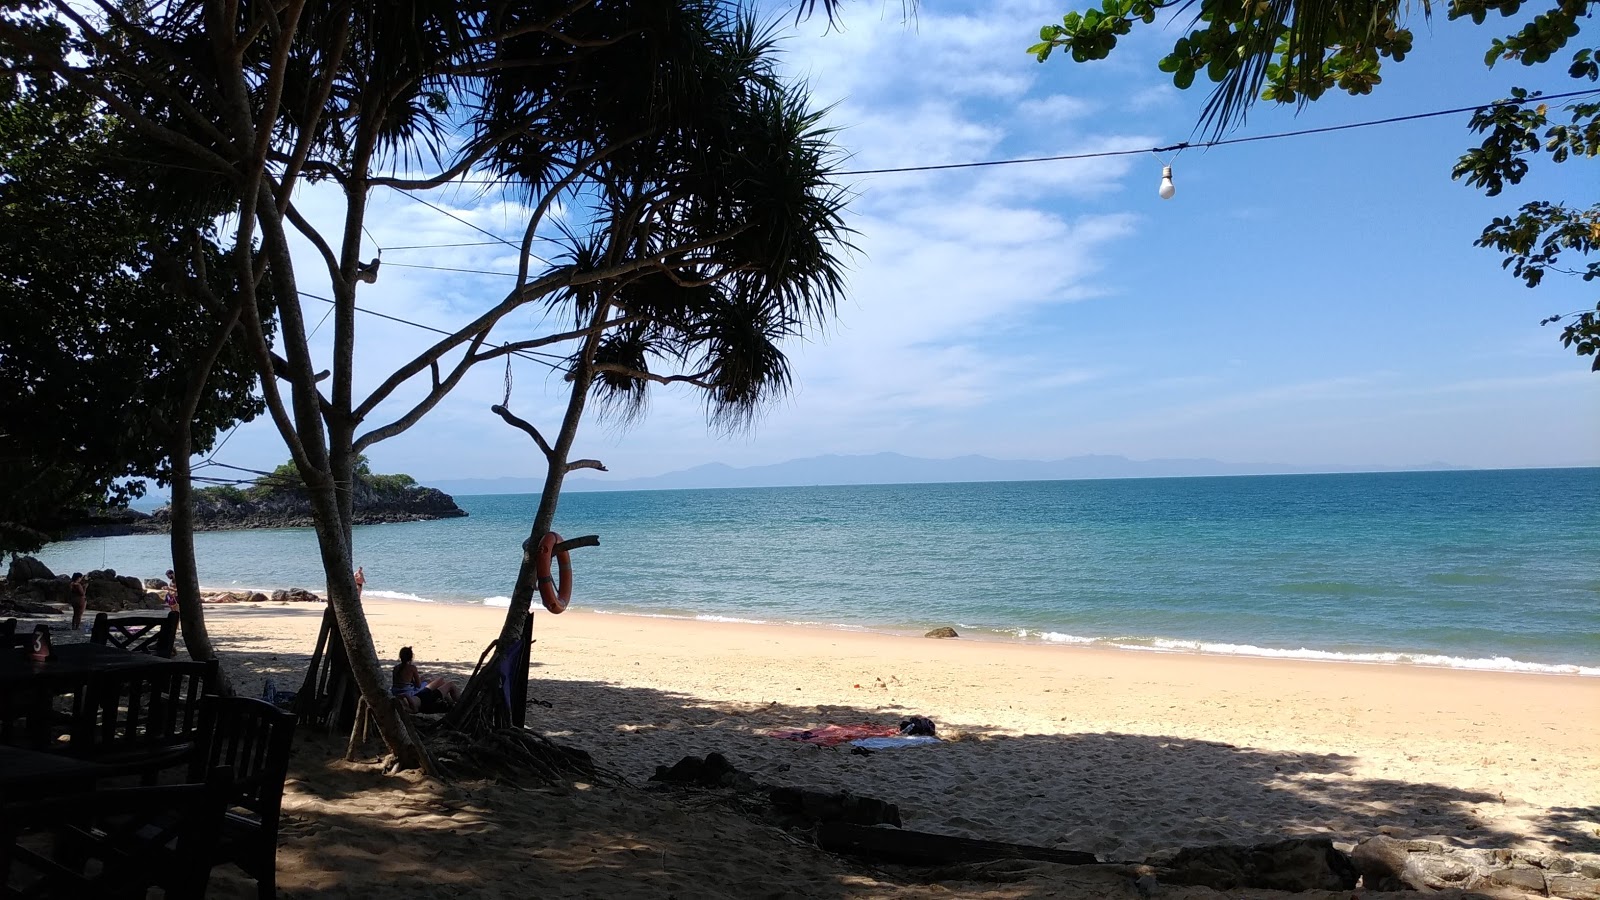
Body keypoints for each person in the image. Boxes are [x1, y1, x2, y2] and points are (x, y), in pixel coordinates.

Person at [391, 646, 459, 713]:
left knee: (433, 682)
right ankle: (452, 702)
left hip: (400, 692)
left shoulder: (396, 668)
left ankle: (449, 701)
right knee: (434, 681)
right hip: (413, 694)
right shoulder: (411, 668)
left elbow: (400, 683)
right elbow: (418, 685)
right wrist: (421, 680)